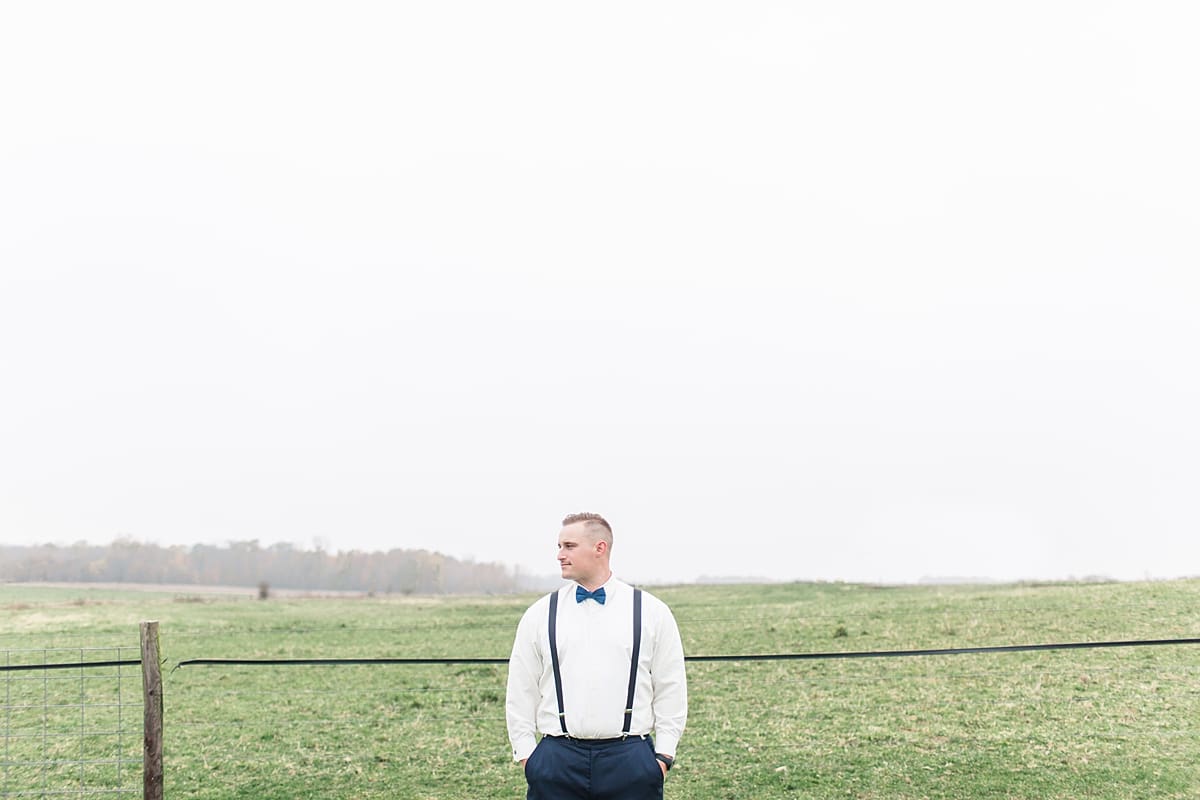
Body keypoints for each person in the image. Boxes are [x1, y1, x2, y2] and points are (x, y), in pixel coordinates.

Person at [506, 512, 687, 800]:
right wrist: (529, 757)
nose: (559, 555)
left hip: (630, 761)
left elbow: (670, 687)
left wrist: (663, 756)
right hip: (556, 762)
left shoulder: (651, 612)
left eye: (569, 546)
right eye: (559, 546)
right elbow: (521, 690)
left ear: (599, 548)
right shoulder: (540, 614)